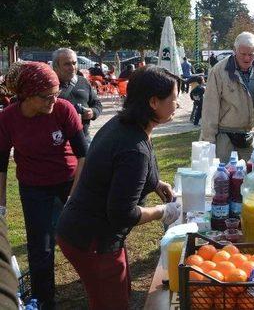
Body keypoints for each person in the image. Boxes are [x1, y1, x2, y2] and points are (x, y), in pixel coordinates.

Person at [56, 66, 181, 310]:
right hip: (90, 238)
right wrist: (162, 212)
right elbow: (122, 213)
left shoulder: (129, 124)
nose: (177, 104)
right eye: (174, 99)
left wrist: (155, 183)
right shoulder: (132, 147)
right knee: (111, 303)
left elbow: (134, 162)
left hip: (93, 232)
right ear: (154, 102)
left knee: (120, 292)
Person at [0, 61, 88, 309]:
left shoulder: (63, 109)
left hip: (69, 179)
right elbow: (1, 166)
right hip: (33, 186)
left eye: (57, 93)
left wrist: (74, 196)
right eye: (47, 96)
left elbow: (84, 155)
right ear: (27, 95)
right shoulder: (7, 119)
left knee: (80, 234)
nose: (54, 99)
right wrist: (2, 205)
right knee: (41, 245)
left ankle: (95, 281)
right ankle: (44, 300)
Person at [200, 32, 254, 162]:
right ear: (234, 50)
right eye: (243, 54)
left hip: (248, 138)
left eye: (251, 54)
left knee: (250, 178)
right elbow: (210, 109)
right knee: (223, 178)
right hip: (224, 139)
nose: (247, 58)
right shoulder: (219, 71)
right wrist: (209, 143)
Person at [52, 48, 103, 140]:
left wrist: (92, 112)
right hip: (57, 141)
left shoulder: (83, 81)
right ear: (56, 66)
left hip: (83, 137)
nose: (72, 67)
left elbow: (97, 104)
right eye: (67, 64)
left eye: (74, 63)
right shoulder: (49, 85)